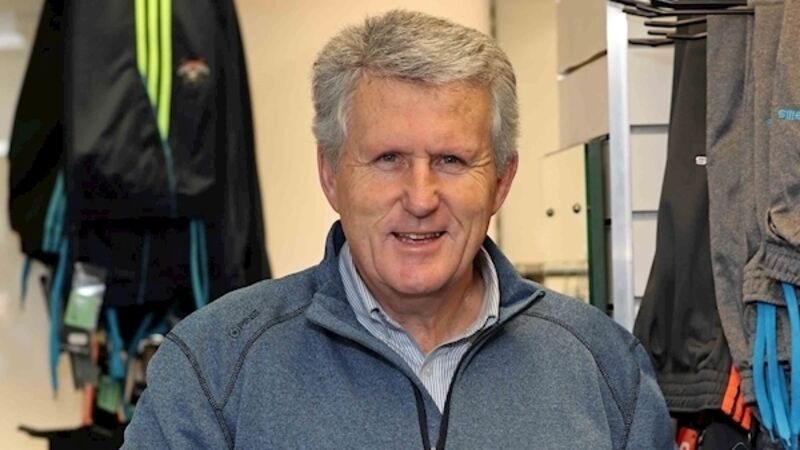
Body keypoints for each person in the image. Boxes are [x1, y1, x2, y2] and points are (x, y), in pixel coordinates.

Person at [122, 9, 673, 449]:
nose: (420, 198)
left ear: (501, 181)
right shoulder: (214, 368)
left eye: (452, 160)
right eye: (388, 159)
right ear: (331, 175)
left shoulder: (605, 366)